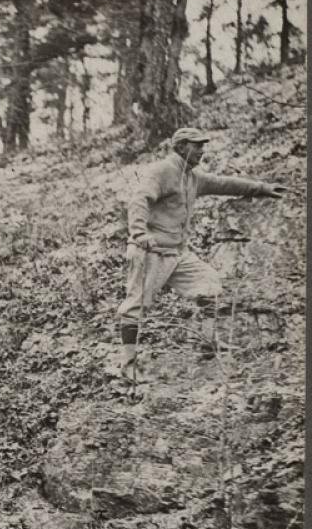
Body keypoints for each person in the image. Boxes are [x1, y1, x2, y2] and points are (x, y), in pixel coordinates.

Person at [117, 127, 287, 382]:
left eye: (203, 145)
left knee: (209, 284)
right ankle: (127, 366)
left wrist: (261, 187)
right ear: (182, 146)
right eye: (197, 146)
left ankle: (208, 343)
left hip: (176, 253)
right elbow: (140, 199)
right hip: (150, 251)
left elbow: (223, 183)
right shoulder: (162, 171)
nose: (202, 151)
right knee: (136, 306)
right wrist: (140, 234)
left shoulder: (192, 177)